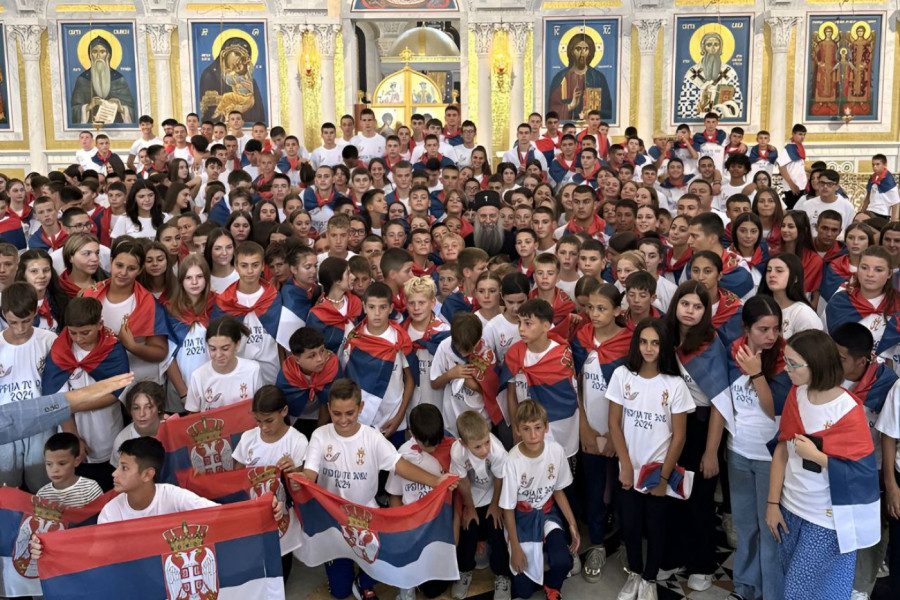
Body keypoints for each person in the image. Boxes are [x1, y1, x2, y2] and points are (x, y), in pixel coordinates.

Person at [300, 378, 455, 600]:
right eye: (337, 414)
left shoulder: (372, 437)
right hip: (333, 521)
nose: (343, 420)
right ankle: (348, 574)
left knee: (381, 561)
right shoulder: (320, 435)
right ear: (328, 409)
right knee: (340, 591)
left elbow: (399, 465)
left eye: (350, 413)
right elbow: (310, 474)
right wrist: (300, 479)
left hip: (367, 518)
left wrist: (436, 481)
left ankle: (365, 581)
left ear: (361, 408)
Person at [766, 330, 880, 600]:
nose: (787, 368)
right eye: (786, 360)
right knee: (792, 583)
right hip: (791, 507)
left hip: (826, 520)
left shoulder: (848, 411)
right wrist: (772, 504)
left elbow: (863, 475)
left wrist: (819, 457)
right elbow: (782, 450)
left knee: (800, 592)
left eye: (793, 363)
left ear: (816, 363)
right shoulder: (797, 394)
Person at [721, 296, 792, 600]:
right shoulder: (732, 351)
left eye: (775, 328)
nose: (771, 336)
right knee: (746, 526)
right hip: (738, 451)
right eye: (763, 329)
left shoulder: (784, 357)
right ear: (746, 328)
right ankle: (747, 588)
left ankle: (774, 593)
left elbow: (773, 408)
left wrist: (757, 373)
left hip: (770, 457)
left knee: (771, 530)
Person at [569, 282, 631, 582]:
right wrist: (586, 429)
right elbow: (575, 384)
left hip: (621, 431)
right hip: (590, 429)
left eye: (602, 308)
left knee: (624, 492)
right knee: (594, 490)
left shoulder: (629, 342)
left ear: (618, 311)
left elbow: (633, 391)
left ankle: (630, 546)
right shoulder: (581, 339)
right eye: (590, 307)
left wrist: (612, 433)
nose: (594, 313)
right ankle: (596, 544)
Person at [233, 385, 308, 580]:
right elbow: (236, 477)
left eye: (268, 421)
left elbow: (305, 489)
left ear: (284, 411)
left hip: (284, 519)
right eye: (258, 421)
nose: (263, 427)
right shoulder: (248, 438)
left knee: (279, 577)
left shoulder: (297, 441)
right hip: (253, 515)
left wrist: (295, 472)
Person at [500, 298, 579, 458]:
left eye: (528, 323)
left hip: (560, 427)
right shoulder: (514, 354)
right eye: (519, 323)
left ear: (546, 326)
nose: (521, 329)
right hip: (528, 428)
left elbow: (570, 397)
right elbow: (511, 394)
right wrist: (517, 428)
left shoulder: (561, 355)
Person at [340, 282, 416, 446]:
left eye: (382, 307)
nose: (377, 313)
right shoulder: (353, 339)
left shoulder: (399, 339)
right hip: (360, 418)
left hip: (393, 418)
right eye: (372, 307)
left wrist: (400, 416)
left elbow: (410, 379)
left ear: (390, 308)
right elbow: (346, 379)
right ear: (364, 307)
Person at [450, 410, 511, 599]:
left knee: (497, 529)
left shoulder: (497, 451)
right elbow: (463, 481)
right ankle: (465, 571)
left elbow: (501, 479)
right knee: (468, 530)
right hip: (472, 496)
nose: (485, 449)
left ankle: (503, 576)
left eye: (486, 442)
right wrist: (469, 507)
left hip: (495, 493)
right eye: (478, 447)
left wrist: (496, 505)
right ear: (463, 443)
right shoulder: (457, 451)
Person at [211, 241, 282, 382]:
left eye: (255, 265)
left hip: (271, 373)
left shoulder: (273, 297)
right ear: (236, 266)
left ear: (262, 266)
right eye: (244, 265)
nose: (250, 271)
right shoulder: (225, 301)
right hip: (238, 375)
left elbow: (282, 340)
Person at [184, 315, 262, 412]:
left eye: (225, 348)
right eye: (212, 349)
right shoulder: (198, 376)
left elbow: (260, 409)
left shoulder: (253, 370)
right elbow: (192, 414)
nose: (218, 355)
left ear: (237, 344)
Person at [70, 36, 136, 125]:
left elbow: (132, 110)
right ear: (90, 55)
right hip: (91, 127)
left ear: (108, 55)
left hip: (116, 127)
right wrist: (88, 107)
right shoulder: (83, 79)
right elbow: (73, 110)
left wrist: (121, 108)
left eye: (102, 52)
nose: (98, 56)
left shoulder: (119, 79)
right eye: (94, 52)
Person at [547, 33, 612, 121]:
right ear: (571, 52)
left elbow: (608, 111)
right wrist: (570, 106)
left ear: (590, 52)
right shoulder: (561, 78)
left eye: (586, 49)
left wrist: (592, 112)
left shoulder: (598, 78)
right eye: (578, 49)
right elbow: (552, 111)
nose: (582, 54)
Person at [758, 253, 822, 339]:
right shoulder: (759, 307)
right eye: (769, 270)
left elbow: (814, 349)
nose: (771, 275)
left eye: (779, 271)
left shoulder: (803, 313)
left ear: (795, 278)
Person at [37, 431, 103, 507]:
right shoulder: (42, 495)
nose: (55, 470)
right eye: (49, 464)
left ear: (76, 461)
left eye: (62, 463)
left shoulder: (91, 489)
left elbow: (102, 516)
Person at [109, 381, 165, 467]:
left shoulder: (172, 429)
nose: (141, 414)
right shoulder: (122, 440)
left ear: (159, 408)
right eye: (136, 408)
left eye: (148, 407)